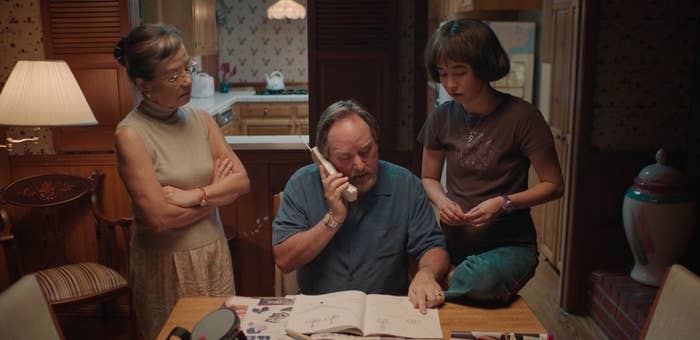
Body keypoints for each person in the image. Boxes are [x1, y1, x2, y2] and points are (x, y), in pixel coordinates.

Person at [113, 24, 250, 339]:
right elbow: (161, 219)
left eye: (187, 68)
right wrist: (216, 195)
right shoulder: (131, 134)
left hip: (213, 252)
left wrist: (194, 196)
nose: (187, 80)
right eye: (173, 76)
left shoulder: (202, 119)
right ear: (144, 85)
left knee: (221, 333)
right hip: (167, 264)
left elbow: (242, 182)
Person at [418, 19, 564, 304]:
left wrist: (504, 203)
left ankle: (452, 279)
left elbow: (554, 185)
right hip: (454, 240)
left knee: (478, 281)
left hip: (509, 245)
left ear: (484, 67)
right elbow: (429, 178)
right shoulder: (442, 116)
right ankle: (454, 278)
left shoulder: (523, 117)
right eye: (443, 73)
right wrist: (443, 202)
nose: (449, 83)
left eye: (460, 72)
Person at [272, 99, 449, 313]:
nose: (360, 165)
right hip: (319, 312)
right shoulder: (302, 184)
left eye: (366, 151)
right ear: (324, 161)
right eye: (345, 157)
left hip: (386, 311)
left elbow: (433, 247)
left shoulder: (405, 185)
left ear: (376, 142)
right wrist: (333, 219)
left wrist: (426, 274)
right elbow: (284, 260)